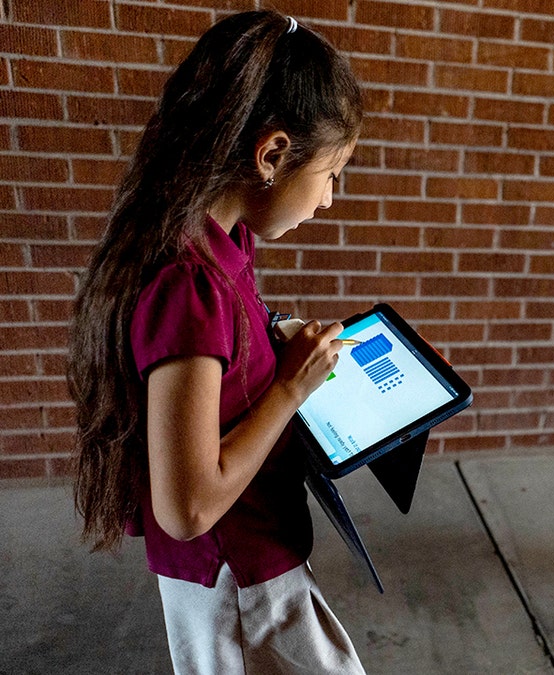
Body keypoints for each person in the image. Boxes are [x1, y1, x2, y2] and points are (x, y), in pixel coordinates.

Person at [68, 11, 366, 673]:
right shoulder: (188, 286)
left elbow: (221, 365)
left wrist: (274, 340)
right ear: (272, 154)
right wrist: (289, 387)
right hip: (240, 584)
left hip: (253, 562)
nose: (327, 201)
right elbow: (187, 506)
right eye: (332, 173)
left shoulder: (223, 237)